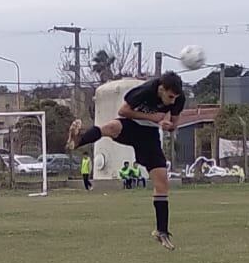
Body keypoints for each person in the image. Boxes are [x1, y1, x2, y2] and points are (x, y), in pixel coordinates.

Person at [66, 71, 184, 249]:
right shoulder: (145, 91)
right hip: (132, 125)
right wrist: (152, 117)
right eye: (170, 96)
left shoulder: (178, 99)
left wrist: (169, 126)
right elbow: (123, 111)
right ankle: (78, 141)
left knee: (162, 181)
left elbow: (174, 124)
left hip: (150, 136)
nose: (173, 101)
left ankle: (161, 231)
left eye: (175, 97)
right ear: (161, 89)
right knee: (112, 126)